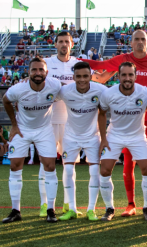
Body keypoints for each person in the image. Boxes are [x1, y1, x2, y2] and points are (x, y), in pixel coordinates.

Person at [78, 30, 147, 217]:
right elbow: (101, 65)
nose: (140, 42)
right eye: (136, 39)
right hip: (124, 122)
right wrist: (74, 61)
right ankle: (130, 204)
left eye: (143, 39)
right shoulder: (123, 59)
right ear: (131, 42)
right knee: (127, 164)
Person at [41, 32, 97, 218]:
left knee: (68, 165)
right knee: (46, 164)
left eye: (67, 41)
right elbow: (35, 80)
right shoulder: (46, 63)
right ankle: (45, 205)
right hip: (48, 120)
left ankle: (68, 205)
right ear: (55, 44)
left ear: (72, 44)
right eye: (61, 42)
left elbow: (96, 81)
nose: (64, 44)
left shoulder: (78, 64)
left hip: (69, 123)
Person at [2, 57, 61, 223]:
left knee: (50, 166)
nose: (37, 73)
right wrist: (13, 125)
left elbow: (69, 92)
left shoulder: (54, 85)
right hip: (22, 130)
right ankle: (15, 211)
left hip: (44, 130)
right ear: (28, 72)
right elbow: (6, 100)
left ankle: (51, 210)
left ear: (46, 72)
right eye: (34, 70)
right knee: (15, 166)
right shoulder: (18, 89)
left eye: (41, 70)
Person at [97, 62, 147, 222]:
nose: (127, 78)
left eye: (131, 75)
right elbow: (101, 113)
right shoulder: (109, 93)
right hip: (114, 135)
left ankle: (146, 208)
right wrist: (103, 138)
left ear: (136, 76)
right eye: (124, 75)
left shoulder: (145, 92)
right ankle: (109, 208)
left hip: (137, 136)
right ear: (118, 76)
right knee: (104, 170)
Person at [55, 62, 107, 221]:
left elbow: (116, 97)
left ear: (91, 76)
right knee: (68, 171)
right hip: (70, 136)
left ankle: (91, 209)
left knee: (93, 172)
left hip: (92, 137)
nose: (82, 80)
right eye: (78, 76)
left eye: (85, 76)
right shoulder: (65, 91)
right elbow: (45, 93)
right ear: (73, 77)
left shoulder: (101, 90)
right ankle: (71, 209)